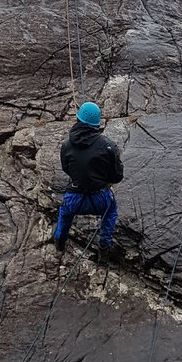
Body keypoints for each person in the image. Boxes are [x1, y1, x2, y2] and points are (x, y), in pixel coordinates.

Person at [53, 102, 124, 255]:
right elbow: (117, 176)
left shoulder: (66, 145)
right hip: (100, 200)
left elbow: (67, 169)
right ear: (97, 124)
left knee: (65, 212)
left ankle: (59, 241)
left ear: (78, 119)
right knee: (111, 211)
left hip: (75, 199)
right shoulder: (108, 146)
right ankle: (104, 245)